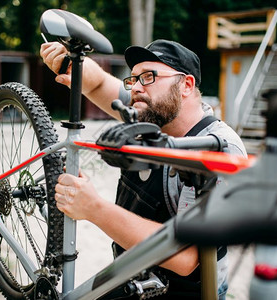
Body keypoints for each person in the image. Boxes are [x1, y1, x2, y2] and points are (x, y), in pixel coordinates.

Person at [40, 39, 247, 299]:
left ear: (186, 85)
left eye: (148, 77)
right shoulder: (149, 113)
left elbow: (186, 257)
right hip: (133, 274)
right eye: (133, 78)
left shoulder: (219, 148)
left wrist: (93, 207)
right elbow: (101, 83)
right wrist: (70, 63)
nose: (135, 88)